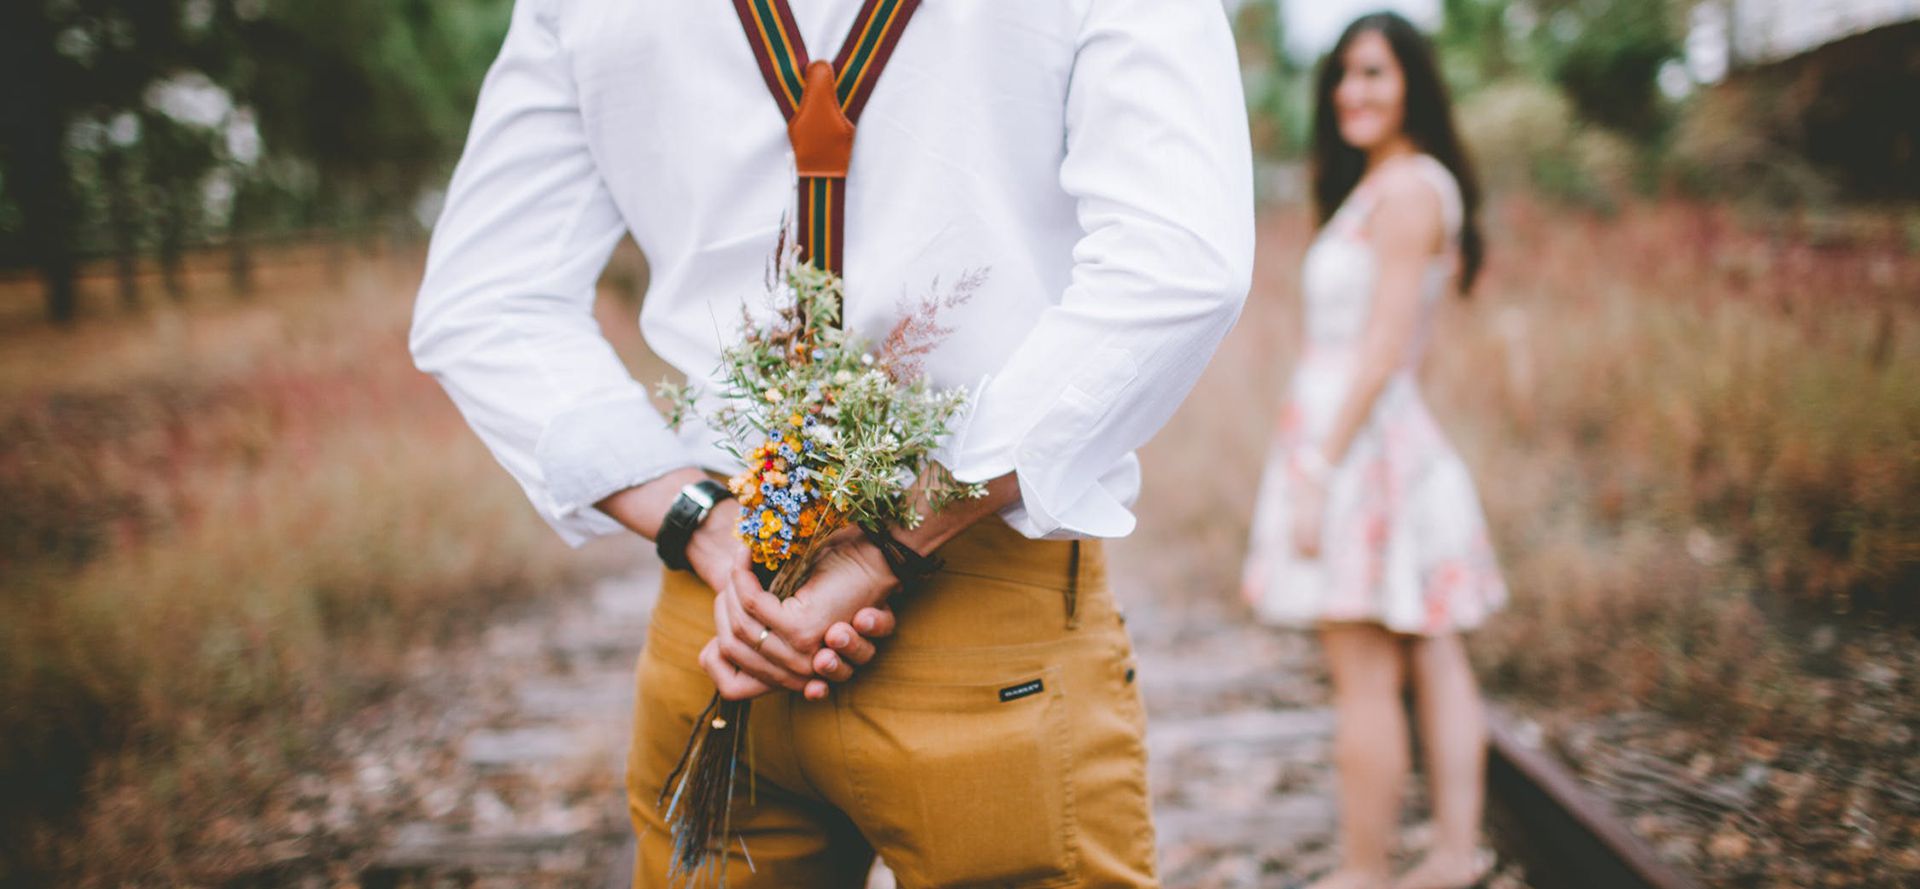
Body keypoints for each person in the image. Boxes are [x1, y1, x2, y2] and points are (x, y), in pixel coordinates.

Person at [409, 0, 1254, 885]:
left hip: (725, 625)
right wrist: (896, 534)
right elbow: (1181, 260)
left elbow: (483, 300)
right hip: (979, 619)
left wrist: (706, 521)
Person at [1238, 12, 1509, 889]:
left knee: (1365, 669)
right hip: (1376, 435)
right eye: (1343, 77)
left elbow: (1385, 345)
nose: (1352, 93)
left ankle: (1365, 872)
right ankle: (1450, 855)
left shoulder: (1407, 191)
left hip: (1359, 446)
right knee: (1431, 648)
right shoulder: (1395, 184)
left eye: (1374, 74)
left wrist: (1320, 466)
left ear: (1412, 85)